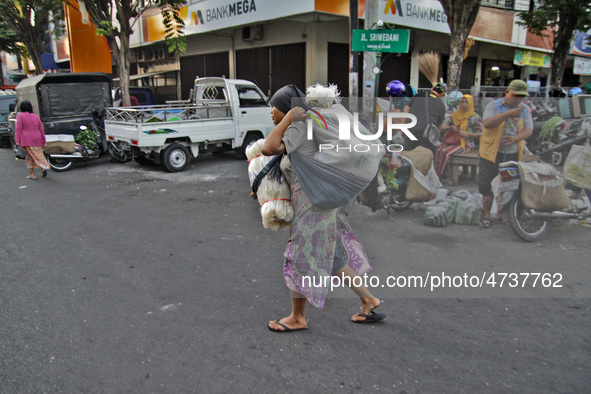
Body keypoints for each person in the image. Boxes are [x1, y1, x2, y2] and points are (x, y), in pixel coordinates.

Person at [262, 84, 385, 332]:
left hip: (311, 204)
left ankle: (297, 318)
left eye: (274, 107)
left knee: (298, 255)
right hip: (318, 202)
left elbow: (269, 148)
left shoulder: (297, 126)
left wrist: (287, 118)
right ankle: (368, 300)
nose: (270, 112)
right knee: (335, 255)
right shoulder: (301, 126)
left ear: (286, 108)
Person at [478, 79, 533, 228]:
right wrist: (507, 114)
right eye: (516, 96)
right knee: (487, 185)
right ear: (507, 92)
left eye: (521, 97)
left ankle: (503, 214)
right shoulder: (494, 106)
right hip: (490, 153)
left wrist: (516, 138)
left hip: (512, 154)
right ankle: (486, 215)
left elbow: (529, 130)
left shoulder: (525, 110)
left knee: (510, 186)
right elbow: (487, 123)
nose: (518, 100)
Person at [434, 95, 483, 176]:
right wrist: (448, 127)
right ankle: (440, 174)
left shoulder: (475, 117)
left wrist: (468, 134)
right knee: (438, 150)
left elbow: (481, 133)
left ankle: (444, 174)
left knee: (446, 152)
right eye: (462, 102)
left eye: (466, 102)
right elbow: (443, 125)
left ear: (471, 103)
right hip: (452, 141)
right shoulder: (454, 115)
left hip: (466, 144)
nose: (464, 104)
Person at [402, 83, 447, 150]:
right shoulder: (441, 104)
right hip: (426, 133)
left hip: (411, 129)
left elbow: (406, 110)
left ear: (432, 89)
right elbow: (439, 126)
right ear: (442, 94)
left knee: (407, 154)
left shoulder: (419, 95)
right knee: (424, 155)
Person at [14, 100, 50, 179]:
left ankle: (32, 175)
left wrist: (17, 141)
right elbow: (41, 129)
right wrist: (44, 141)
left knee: (28, 157)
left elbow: (18, 129)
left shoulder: (20, 116)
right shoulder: (36, 116)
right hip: (37, 138)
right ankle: (43, 167)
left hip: (26, 139)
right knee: (39, 154)